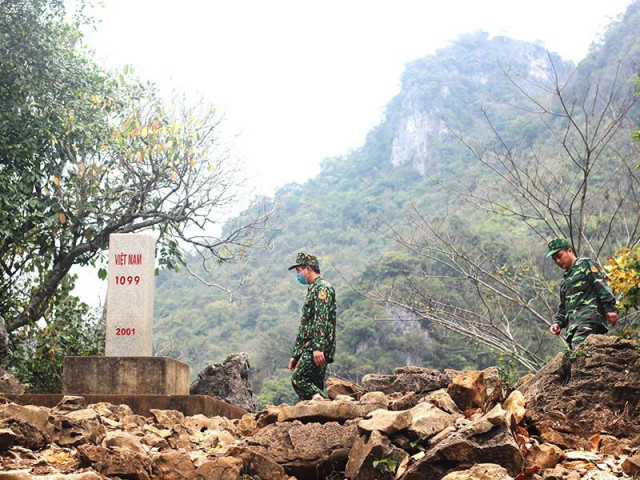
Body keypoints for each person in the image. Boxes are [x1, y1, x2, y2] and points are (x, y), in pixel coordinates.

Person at [547, 238, 618, 349]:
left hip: (589, 318)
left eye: (559, 256)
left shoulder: (585, 264)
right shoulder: (565, 280)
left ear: (569, 251)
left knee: (579, 348)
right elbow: (563, 306)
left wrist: (609, 309)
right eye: (554, 259)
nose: (558, 261)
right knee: (574, 356)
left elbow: (601, 285)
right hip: (573, 326)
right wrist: (558, 323)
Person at [287, 252, 336, 400]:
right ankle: (321, 419)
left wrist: (318, 348)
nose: (298, 275)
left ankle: (328, 406)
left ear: (307, 269)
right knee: (314, 384)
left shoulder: (322, 288)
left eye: (299, 271)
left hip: (315, 348)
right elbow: (305, 327)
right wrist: (296, 354)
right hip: (309, 346)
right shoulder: (313, 289)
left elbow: (321, 319)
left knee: (299, 379)